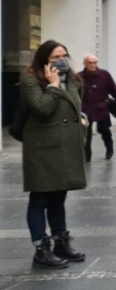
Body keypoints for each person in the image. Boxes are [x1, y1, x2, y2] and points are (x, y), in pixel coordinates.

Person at [19, 40, 89, 269]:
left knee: (59, 197)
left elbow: (76, 106)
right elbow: (42, 108)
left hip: (66, 147)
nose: (62, 60)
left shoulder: (75, 79)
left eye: (65, 55)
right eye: (56, 57)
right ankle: (41, 249)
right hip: (42, 148)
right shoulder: (31, 79)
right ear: (44, 61)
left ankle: (61, 243)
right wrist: (53, 85)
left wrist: (82, 122)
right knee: (39, 198)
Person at [79, 54, 116, 162]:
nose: (92, 65)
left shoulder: (104, 75)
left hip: (101, 107)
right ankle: (87, 156)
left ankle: (109, 148)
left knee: (104, 130)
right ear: (85, 63)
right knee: (86, 132)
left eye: (94, 62)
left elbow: (114, 89)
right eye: (90, 63)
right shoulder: (79, 76)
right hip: (85, 108)